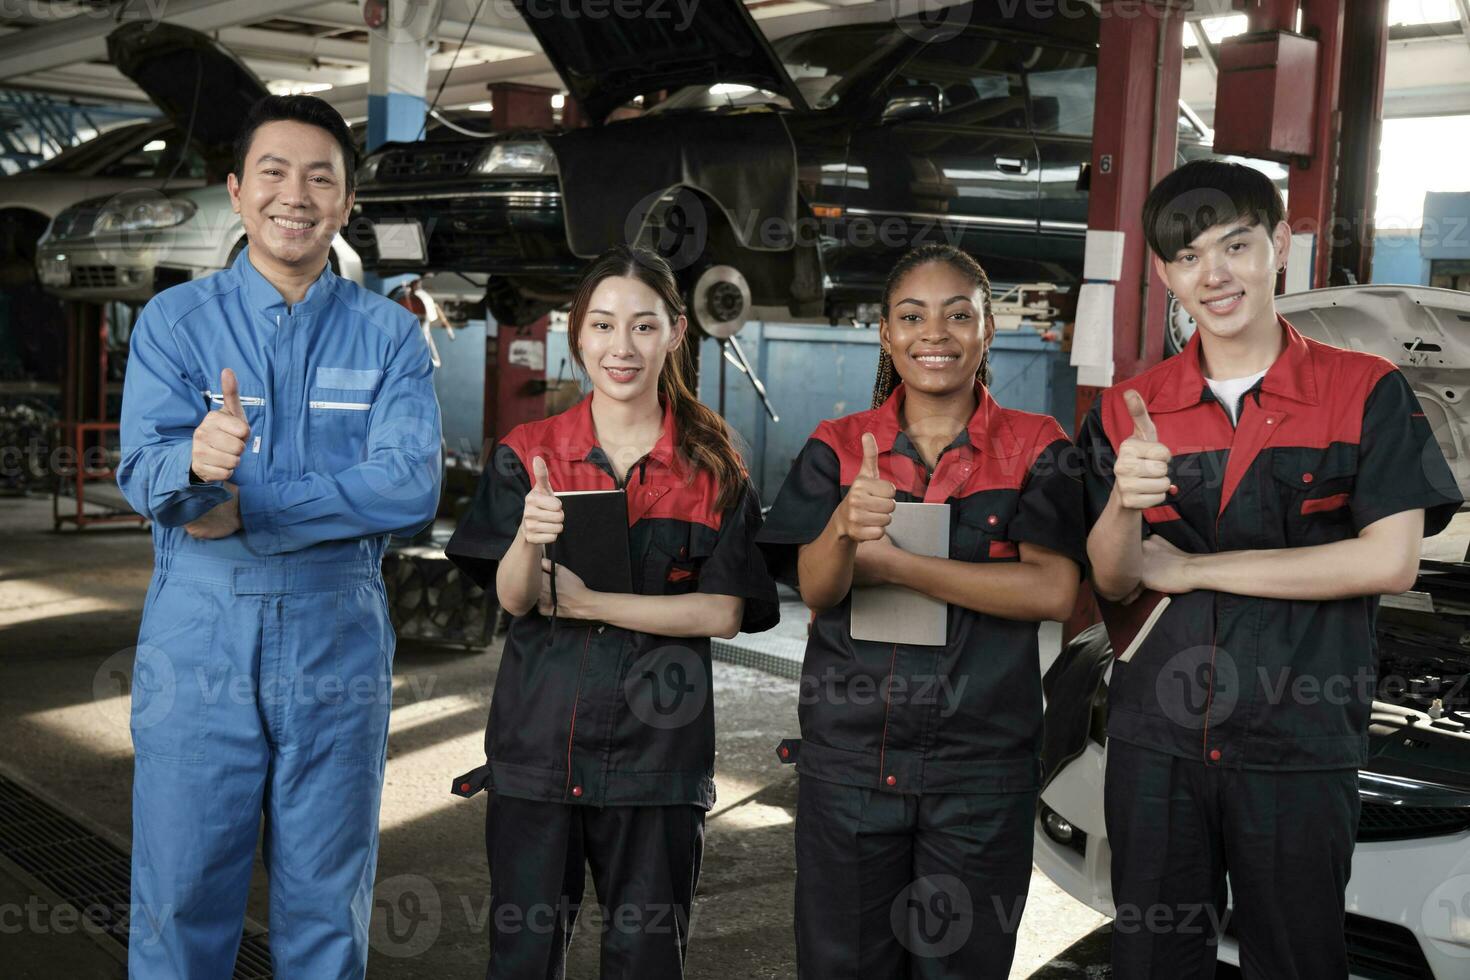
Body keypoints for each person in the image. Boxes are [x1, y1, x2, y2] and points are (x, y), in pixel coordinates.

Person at [1080, 159, 1462, 979]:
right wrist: (1122, 500)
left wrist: (1196, 571)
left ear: (1281, 247)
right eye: (1188, 257)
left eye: (1237, 246)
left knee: (1296, 961)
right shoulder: (1128, 408)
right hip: (1160, 744)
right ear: (1162, 273)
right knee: (1150, 960)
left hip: (1298, 741)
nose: (1214, 275)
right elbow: (1112, 581)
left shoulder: (1366, 391)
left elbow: (1390, 561)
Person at [115, 94, 442, 978]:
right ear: (236, 190)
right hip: (199, 635)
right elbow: (142, 471)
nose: (294, 195)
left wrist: (246, 505)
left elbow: (409, 483)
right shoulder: (175, 325)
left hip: (336, 635)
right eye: (273, 171)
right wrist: (193, 459)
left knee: (326, 904)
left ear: (345, 203)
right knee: (180, 896)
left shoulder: (390, 339)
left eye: (319, 177)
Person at [444, 245, 780, 979]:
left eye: (642, 326)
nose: (620, 347)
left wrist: (594, 602)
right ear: (577, 333)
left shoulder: (715, 467)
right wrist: (530, 538)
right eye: (601, 325)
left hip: (656, 759)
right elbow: (512, 597)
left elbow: (722, 612)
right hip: (538, 750)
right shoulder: (528, 453)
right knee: (523, 959)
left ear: (676, 332)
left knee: (646, 959)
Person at [756, 243, 1087, 978]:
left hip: (980, 767)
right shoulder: (836, 449)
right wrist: (843, 526)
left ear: (988, 328)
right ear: (884, 332)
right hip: (850, 762)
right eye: (912, 316)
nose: (933, 334)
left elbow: (1053, 591)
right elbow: (817, 590)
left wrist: (902, 565)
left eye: (957, 315)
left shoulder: (1040, 447)